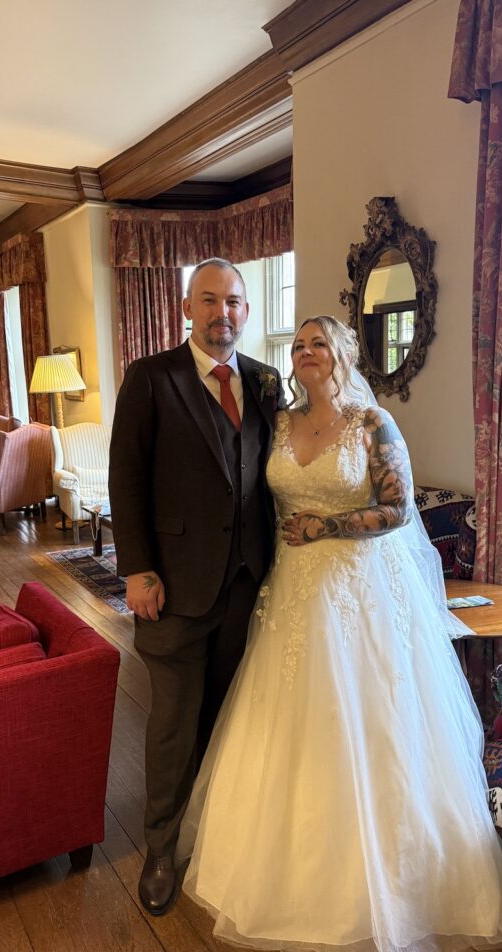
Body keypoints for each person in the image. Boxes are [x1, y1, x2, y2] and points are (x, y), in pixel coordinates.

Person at [176, 315, 502, 952]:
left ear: (344, 353)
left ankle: (389, 879)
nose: (305, 352)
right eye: (297, 344)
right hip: (291, 589)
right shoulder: (281, 422)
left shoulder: (373, 425)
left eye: (319, 342)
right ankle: (275, 864)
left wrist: (330, 524)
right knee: (288, 717)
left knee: (371, 717)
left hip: (357, 585)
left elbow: (400, 508)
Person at [108, 257, 283, 916]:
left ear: (245, 309)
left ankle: (213, 830)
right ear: (187, 308)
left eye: (234, 301)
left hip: (248, 581)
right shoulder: (152, 378)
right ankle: (159, 847)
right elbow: (126, 477)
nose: (223, 313)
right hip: (173, 586)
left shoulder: (265, 381)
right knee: (175, 723)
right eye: (209, 301)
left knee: (227, 713)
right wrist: (138, 568)